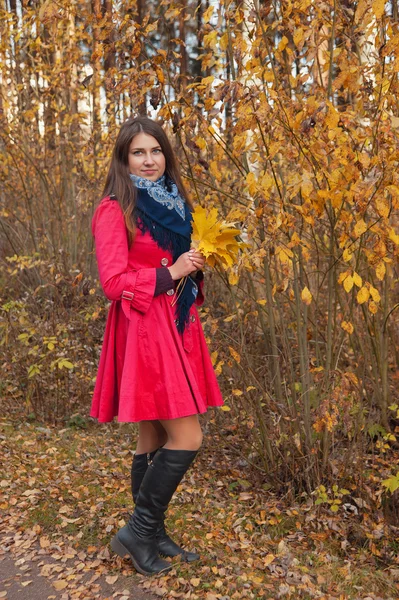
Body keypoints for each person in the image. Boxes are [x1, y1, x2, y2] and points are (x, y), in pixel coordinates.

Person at [89, 116, 224, 576]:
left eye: (156, 151)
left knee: (155, 435)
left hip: (176, 325)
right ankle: (138, 530)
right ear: (124, 158)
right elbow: (112, 282)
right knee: (188, 435)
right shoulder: (115, 209)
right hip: (144, 328)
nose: (149, 161)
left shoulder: (175, 206)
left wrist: (198, 263)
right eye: (139, 153)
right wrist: (174, 272)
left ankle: (152, 531)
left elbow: (180, 262)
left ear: (167, 156)